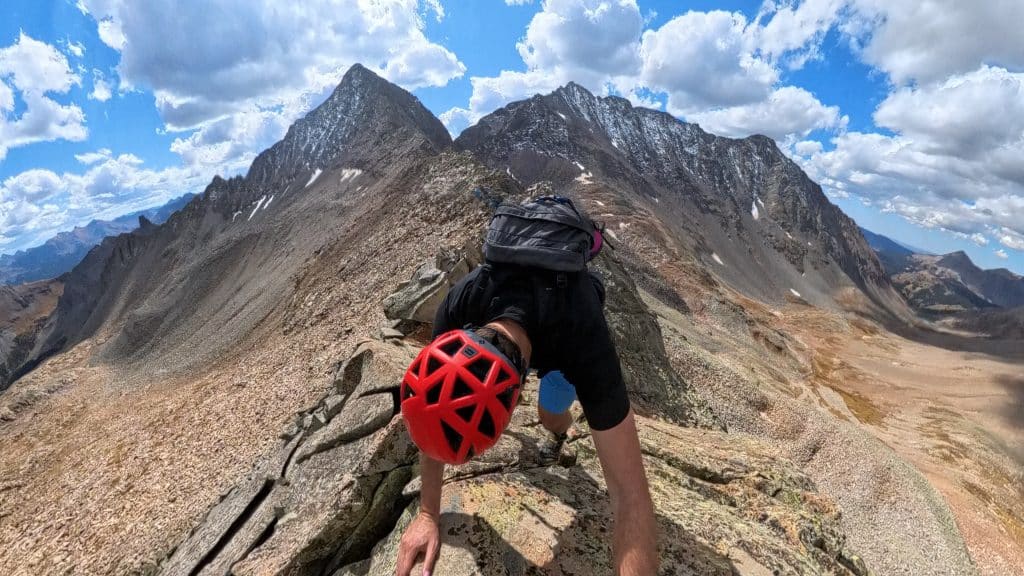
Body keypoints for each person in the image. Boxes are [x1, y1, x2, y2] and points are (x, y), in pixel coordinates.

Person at [395, 197, 658, 575]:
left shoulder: (584, 336)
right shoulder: (457, 307)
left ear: (515, 395)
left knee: (552, 416)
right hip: (534, 333)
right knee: (549, 415)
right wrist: (427, 514)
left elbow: (631, 496)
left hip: (562, 351)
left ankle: (560, 436)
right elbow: (436, 405)